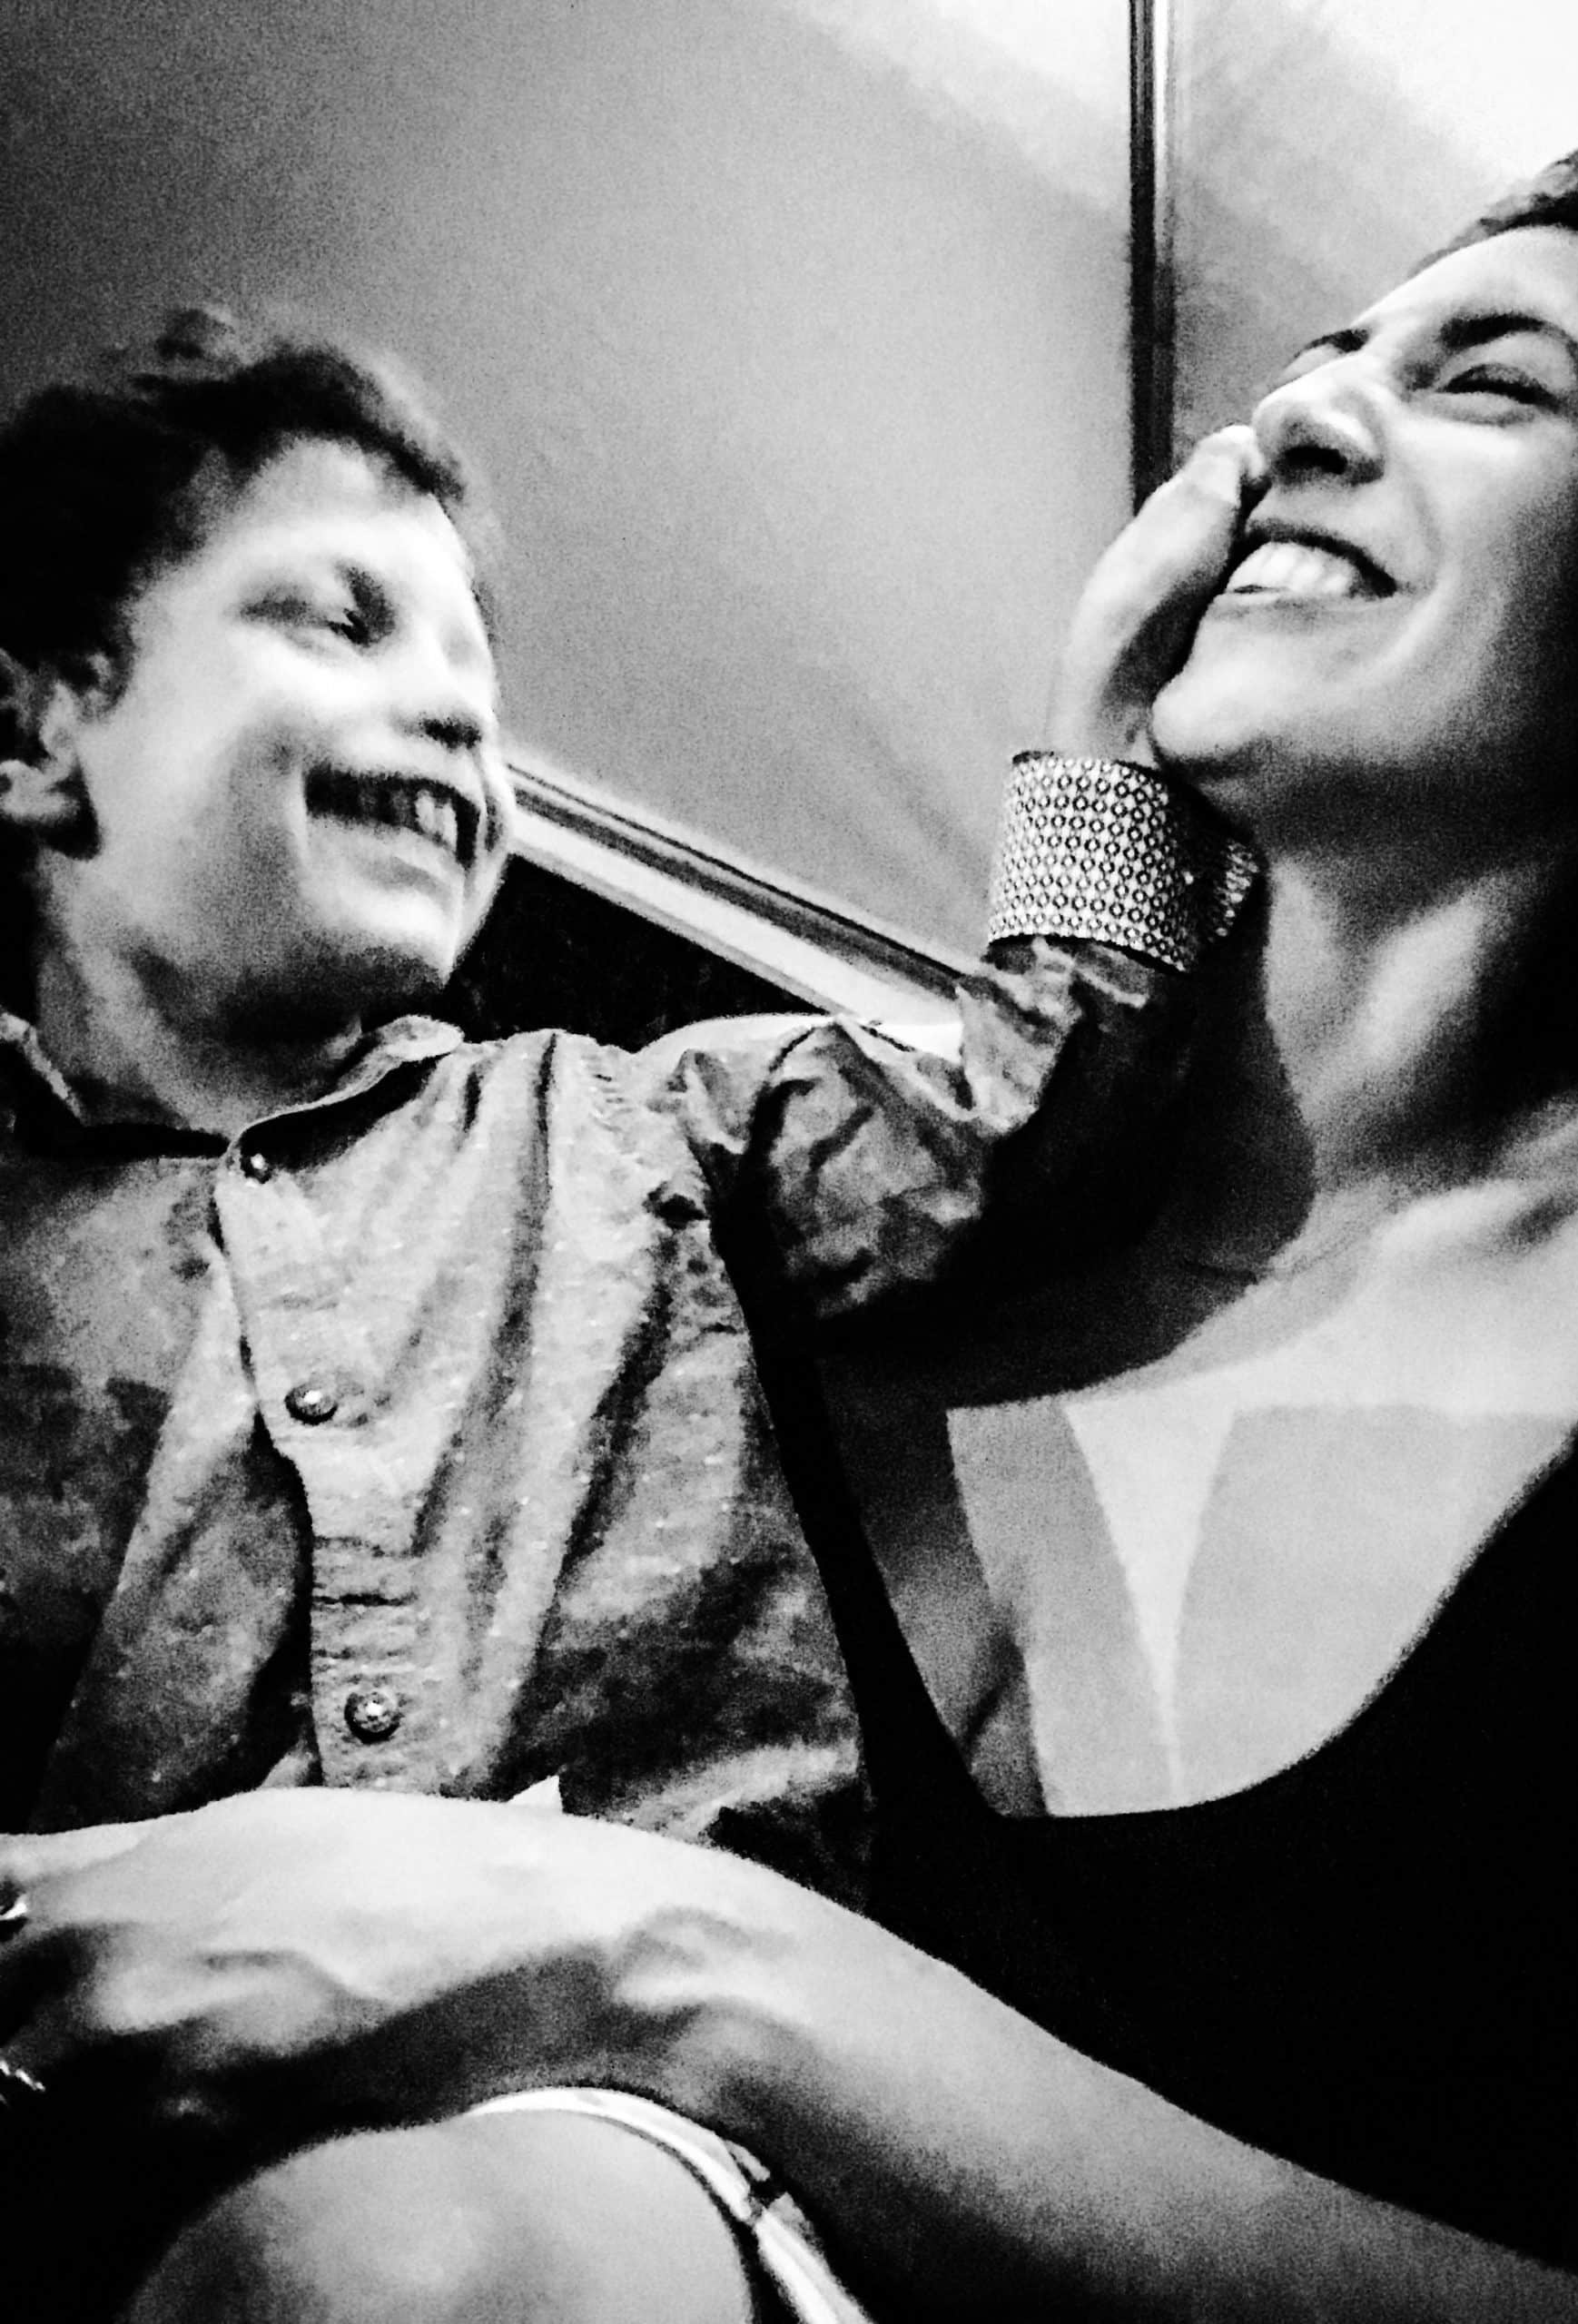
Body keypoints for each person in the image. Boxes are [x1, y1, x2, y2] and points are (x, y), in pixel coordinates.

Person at [6, 116, 1578, 2324]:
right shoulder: (739, 1274)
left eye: (1483, 379)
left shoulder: (674, 1156)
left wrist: (656, 1953)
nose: (1301, 420)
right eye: (1315, 364)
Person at [0, 309, 1249, 2319]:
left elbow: (1028, 1130)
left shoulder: (650, 1125)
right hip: (74, 2107)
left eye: (477, 681)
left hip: (615, 2115)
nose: (448, 713)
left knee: (371, 2278)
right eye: (339, 620)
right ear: (41, 731)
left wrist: (1112, 703)